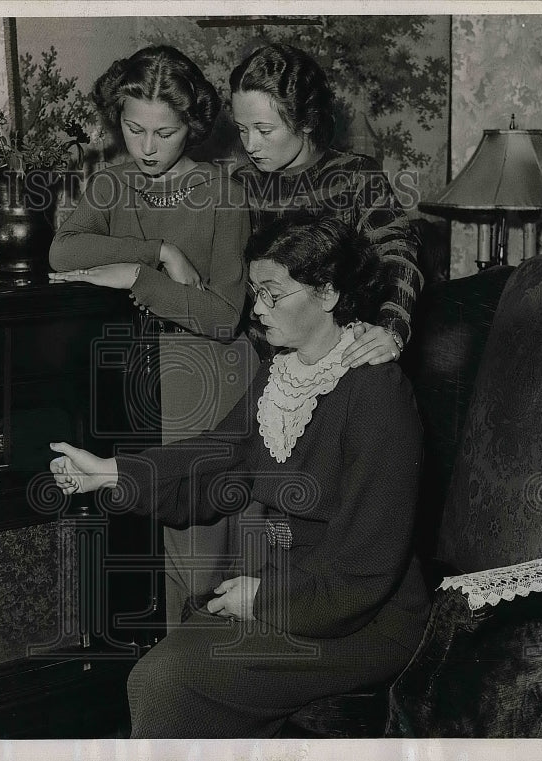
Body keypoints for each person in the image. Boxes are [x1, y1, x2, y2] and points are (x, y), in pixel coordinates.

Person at [49, 216, 430, 738]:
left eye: (273, 294)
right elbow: (220, 457)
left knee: (167, 678)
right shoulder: (282, 371)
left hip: (365, 618)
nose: (257, 310)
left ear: (327, 293)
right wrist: (113, 473)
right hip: (300, 595)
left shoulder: (377, 394)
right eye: (255, 292)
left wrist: (262, 599)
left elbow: (366, 568)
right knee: (162, 674)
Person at [49, 46, 260, 627]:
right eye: (133, 128)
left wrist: (136, 278)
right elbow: (63, 250)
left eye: (163, 133)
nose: (145, 148)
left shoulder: (222, 192)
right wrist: (157, 253)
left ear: (191, 127)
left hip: (206, 375)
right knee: (137, 559)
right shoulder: (110, 182)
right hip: (130, 376)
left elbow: (221, 316)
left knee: (195, 561)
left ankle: (194, 694)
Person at [229, 42, 424, 368]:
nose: (250, 145)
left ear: (306, 122)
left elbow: (399, 254)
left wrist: (390, 328)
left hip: (343, 362)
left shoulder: (357, 176)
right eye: (241, 129)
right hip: (263, 369)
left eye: (264, 130)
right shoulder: (241, 185)